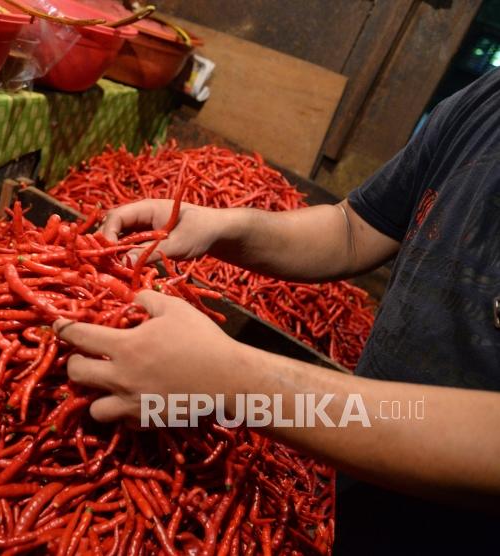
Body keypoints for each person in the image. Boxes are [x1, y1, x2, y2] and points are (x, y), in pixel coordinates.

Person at [53, 69, 500, 552]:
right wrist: (225, 227)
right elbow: (355, 227)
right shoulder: (487, 100)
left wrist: (239, 382)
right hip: (363, 488)